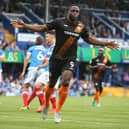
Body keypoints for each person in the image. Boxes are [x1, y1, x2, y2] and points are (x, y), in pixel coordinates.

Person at [11, 5, 119, 123]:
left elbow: (90, 40)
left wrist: (105, 43)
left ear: (78, 13)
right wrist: (25, 25)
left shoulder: (81, 27)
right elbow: (42, 28)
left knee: (66, 80)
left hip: (70, 59)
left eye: (77, 11)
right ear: (69, 12)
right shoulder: (59, 22)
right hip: (56, 59)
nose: (74, 12)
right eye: (72, 10)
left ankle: (58, 110)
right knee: (51, 85)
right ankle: (46, 105)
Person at [19, 36, 48, 112]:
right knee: (39, 88)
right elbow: (46, 61)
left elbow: (27, 59)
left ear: (36, 42)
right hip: (42, 69)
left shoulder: (32, 48)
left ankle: (25, 105)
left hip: (33, 68)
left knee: (26, 86)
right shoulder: (45, 50)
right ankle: (42, 106)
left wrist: (23, 71)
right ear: (43, 42)